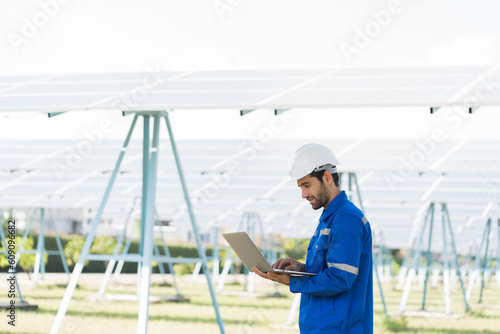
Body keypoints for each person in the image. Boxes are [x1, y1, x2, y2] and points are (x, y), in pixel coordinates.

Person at [253, 143, 373, 334]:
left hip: (339, 328)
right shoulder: (329, 218)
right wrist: (301, 269)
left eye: (307, 185)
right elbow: (330, 269)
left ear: (327, 177)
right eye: (301, 187)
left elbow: (341, 279)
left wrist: (290, 281)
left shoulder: (346, 219)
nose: (303, 194)